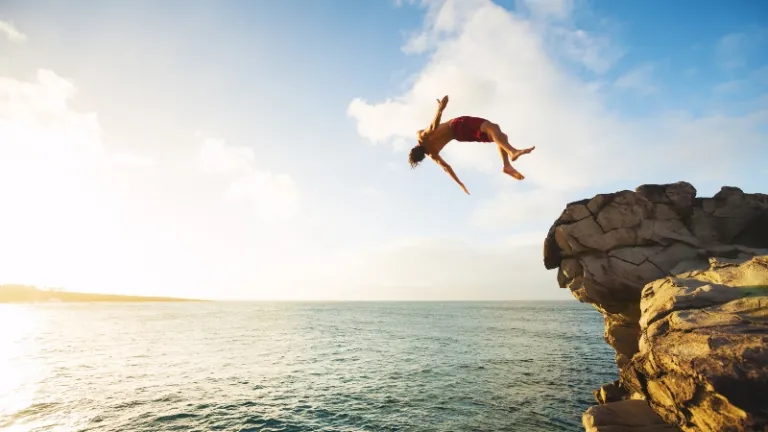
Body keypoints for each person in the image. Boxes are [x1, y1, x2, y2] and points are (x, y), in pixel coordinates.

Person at [408, 95, 535, 195]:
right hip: (458, 125)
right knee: (491, 127)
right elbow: (432, 127)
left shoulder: (432, 154)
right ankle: (512, 152)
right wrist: (440, 110)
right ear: (415, 147)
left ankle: (506, 166)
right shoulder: (421, 136)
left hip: (461, 137)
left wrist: (460, 184)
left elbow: (447, 168)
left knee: (500, 137)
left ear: (423, 157)